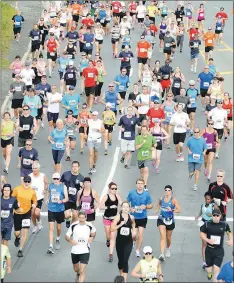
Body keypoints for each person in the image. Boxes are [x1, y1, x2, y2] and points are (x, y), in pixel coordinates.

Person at [200, 208, 233, 282]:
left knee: (216, 269)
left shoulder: (224, 224)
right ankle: (209, 273)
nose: (215, 217)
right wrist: (208, 240)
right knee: (208, 269)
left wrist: (231, 240)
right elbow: (201, 234)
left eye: (217, 215)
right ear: (212, 216)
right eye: (214, 215)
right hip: (209, 250)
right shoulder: (207, 224)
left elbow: (229, 232)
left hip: (219, 250)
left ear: (220, 216)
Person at [65, 210, 96, 283]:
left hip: (85, 250)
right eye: (80, 218)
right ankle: (78, 273)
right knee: (76, 269)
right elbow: (67, 236)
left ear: (86, 218)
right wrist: (70, 240)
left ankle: (80, 278)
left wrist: (92, 237)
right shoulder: (74, 225)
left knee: (82, 270)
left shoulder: (89, 225)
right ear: (78, 218)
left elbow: (94, 233)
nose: (81, 220)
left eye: (83, 218)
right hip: (75, 250)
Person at [111, 201, 136, 282]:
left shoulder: (131, 217)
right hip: (120, 242)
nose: (125, 208)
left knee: (125, 260)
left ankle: (124, 280)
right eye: (124, 207)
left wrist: (134, 234)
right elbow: (112, 228)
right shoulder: (118, 217)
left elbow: (134, 227)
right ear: (121, 208)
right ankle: (121, 275)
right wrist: (120, 225)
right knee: (121, 260)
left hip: (128, 242)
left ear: (129, 208)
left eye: (127, 207)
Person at [127, 178, 153, 257]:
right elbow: (127, 202)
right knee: (133, 235)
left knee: (140, 235)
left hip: (142, 217)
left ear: (143, 185)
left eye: (141, 183)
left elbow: (151, 205)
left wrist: (145, 206)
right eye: (138, 183)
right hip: (133, 217)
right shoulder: (131, 193)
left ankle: (137, 250)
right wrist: (130, 208)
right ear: (136, 184)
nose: (140, 185)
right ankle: (134, 241)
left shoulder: (146, 194)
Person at [12, 176, 37, 257]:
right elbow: (12, 199)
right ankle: (17, 237)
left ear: (30, 182)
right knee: (17, 232)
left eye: (28, 182)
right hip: (18, 212)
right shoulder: (17, 189)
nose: (26, 183)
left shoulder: (32, 191)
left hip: (27, 212)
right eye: (25, 181)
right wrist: (16, 204)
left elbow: (35, 201)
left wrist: (34, 205)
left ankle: (20, 249)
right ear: (23, 182)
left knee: (25, 231)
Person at [155, 185, 181, 261]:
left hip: (170, 220)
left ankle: (168, 248)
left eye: (169, 190)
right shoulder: (161, 199)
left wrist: (172, 210)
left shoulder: (173, 200)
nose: (167, 191)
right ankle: (162, 254)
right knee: (162, 236)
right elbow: (158, 205)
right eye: (166, 190)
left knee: (168, 238)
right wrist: (156, 210)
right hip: (161, 219)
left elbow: (179, 210)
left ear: (171, 192)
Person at [45, 172, 68, 255]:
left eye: (57, 179)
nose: (55, 180)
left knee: (58, 228)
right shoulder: (50, 185)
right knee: (51, 228)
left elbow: (66, 198)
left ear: (59, 179)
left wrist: (61, 201)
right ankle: (50, 246)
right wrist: (47, 199)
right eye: (54, 179)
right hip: (51, 209)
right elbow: (48, 192)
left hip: (60, 209)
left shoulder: (63, 187)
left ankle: (57, 239)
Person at [99, 182, 122, 262]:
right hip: (107, 218)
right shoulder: (106, 196)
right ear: (109, 189)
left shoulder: (117, 196)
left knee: (113, 236)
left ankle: (111, 254)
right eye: (113, 188)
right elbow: (100, 207)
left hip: (114, 219)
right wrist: (109, 207)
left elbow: (122, 204)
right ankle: (107, 240)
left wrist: (121, 201)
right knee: (108, 235)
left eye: (115, 188)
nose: (114, 190)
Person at [195, 192, 216, 269]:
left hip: (211, 225)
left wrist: (212, 214)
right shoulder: (202, 205)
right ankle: (204, 262)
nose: (207, 200)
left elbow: (219, 214)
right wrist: (198, 216)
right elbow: (201, 211)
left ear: (211, 199)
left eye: (208, 199)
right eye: (206, 199)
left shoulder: (214, 206)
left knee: (211, 244)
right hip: (203, 224)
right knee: (204, 244)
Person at [61, 161, 84, 228]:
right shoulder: (66, 174)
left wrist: (82, 186)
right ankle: (68, 219)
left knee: (75, 216)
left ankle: (72, 228)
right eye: (73, 166)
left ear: (79, 167)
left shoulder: (81, 178)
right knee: (67, 215)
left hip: (75, 199)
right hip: (67, 198)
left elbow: (83, 190)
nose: (74, 168)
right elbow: (60, 183)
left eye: (76, 166)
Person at [135, 125, 157, 191]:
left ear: (147, 130)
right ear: (141, 130)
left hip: (148, 157)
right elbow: (136, 148)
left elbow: (155, 144)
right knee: (142, 171)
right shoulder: (138, 137)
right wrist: (142, 144)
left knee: (146, 170)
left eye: (145, 130)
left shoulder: (151, 137)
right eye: (142, 130)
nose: (144, 131)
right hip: (140, 157)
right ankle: (142, 182)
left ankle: (145, 185)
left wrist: (153, 147)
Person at [29, 162, 48, 233]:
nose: (34, 170)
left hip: (39, 197)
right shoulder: (30, 176)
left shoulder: (43, 176)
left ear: (38, 168)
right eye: (33, 168)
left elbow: (46, 183)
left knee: (37, 213)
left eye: (36, 168)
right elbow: (26, 184)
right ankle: (35, 225)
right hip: (31, 198)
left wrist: (45, 189)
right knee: (32, 213)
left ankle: (39, 222)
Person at [87, 111, 105, 175]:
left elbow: (103, 130)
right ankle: (90, 168)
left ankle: (94, 164)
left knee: (95, 154)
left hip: (97, 139)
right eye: (93, 115)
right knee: (91, 154)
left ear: (97, 116)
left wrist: (98, 130)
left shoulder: (100, 122)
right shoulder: (89, 121)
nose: (94, 116)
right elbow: (84, 124)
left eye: (95, 115)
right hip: (90, 139)